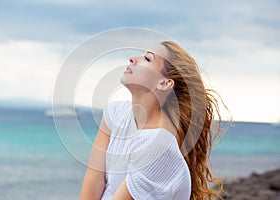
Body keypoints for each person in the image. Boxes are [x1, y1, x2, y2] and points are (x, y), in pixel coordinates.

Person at [79, 41, 230, 200]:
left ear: (164, 83)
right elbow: (95, 179)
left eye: (147, 59)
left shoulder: (159, 147)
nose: (132, 59)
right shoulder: (115, 113)